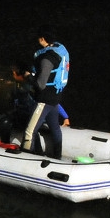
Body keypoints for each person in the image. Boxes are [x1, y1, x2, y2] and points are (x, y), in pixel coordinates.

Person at [19, 28, 70, 158]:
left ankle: (25, 158)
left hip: (44, 100)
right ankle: (57, 156)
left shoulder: (47, 59)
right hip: (55, 99)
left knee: (29, 131)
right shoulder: (59, 50)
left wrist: (28, 76)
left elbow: (41, 84)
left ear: (42, 39)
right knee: (55, 128)